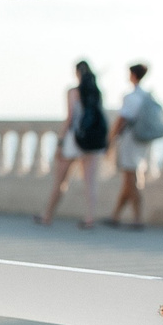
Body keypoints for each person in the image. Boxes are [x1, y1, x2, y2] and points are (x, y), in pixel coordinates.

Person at [40, 61, 109, 228]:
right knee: (90, 183)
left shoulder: (73, 91)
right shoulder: (97, 92)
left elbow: (70, 118)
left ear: (77, 73)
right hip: (92, 142)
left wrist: (60, 142)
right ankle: (90, 218)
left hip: (73, 141)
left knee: (61, 180)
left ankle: (47, 215)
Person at [106, 62, 163, 228]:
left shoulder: (131, 97)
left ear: (133, 75)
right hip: (142, 141)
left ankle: (137, 218)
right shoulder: (147, 96)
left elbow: (122, 119)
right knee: (129, 179)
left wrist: (110, 139)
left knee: (130, 178)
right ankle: (116, 216)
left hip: (130, 140)